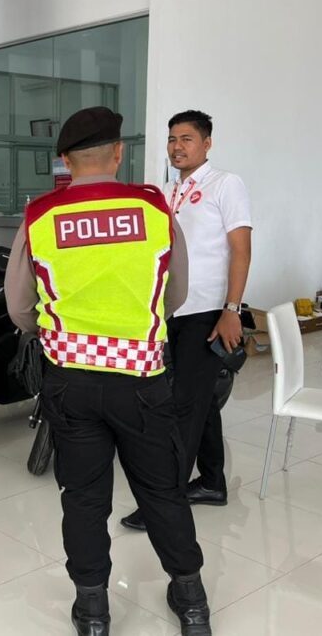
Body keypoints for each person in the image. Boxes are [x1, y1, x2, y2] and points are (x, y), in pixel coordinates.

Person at [5, 107, 211, 636]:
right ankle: (191, 602)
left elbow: (19, 307)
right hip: (142, 380)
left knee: (84, 497)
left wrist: (58, 330)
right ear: (119, 152)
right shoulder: (154, 208)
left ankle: (93, 610)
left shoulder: (41, 215)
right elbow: (177, 293)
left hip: (71, 382)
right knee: (162, 490)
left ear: (64, 160)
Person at [122, 110, 252, 529]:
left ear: (207, 143)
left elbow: (241, 250)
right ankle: (212, 482)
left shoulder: (225, 184)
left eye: (187, 139)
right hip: (171, 309)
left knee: (181, 408)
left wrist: (231, 310)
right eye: (172, 139)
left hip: (208, 311)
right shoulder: (166, 191)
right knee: (200, 401)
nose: (177, 147)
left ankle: (164, 501)